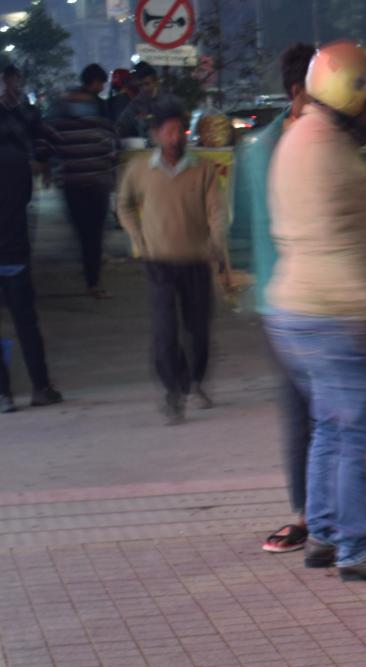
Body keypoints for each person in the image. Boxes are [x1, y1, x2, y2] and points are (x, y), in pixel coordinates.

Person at [265, 41, 366, 582]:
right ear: (350, 99)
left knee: (329, 429)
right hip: (331, 313)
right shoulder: (328, 151)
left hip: (298, 308)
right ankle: (357, 548)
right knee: (354, 429)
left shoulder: (306, 137)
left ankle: (326, 534)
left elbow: (346, 217)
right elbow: (342, 241)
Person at [239, 43, 319, 554]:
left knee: (329, 408)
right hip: (293, 298)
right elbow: (246, 228)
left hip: (298, 296)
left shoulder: (313, 140)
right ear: (297, 92)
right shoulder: (272, 151)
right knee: (306, 406)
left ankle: (328, 505)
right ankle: (309, 512)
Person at [116, 99, 227, 425]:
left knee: (198, 330)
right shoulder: (139, 169)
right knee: (165, 332)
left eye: (180, 130)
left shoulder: (202, 168)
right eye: (169, 132)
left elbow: (216, 211)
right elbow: (123, 205)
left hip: (195, 259)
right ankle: (173, 391)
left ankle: (196, 380)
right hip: (157, 261)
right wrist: (137, 237)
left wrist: (216, 242)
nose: (175, 137)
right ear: (155, 134)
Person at [0, 65, 63, 413]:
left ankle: (4, 395)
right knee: (26, 322)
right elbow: (24, 200)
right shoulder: (18, 164)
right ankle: (40, 387)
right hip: (15, 252)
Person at [44, 64, 118, 299]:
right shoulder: (99, 115)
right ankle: (92, 279)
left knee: (87, 232)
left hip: (76, 182)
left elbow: (47, 143)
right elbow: (112, 147)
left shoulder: (61, 121)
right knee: (92, 233)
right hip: (93, 182)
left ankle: (91, 274)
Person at [113, 62, 160, 140]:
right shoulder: (135, 104)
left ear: (156, 82)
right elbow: (120, 127)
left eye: (147, 84)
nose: (144, 88)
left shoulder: (169, 101)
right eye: (141, 85)